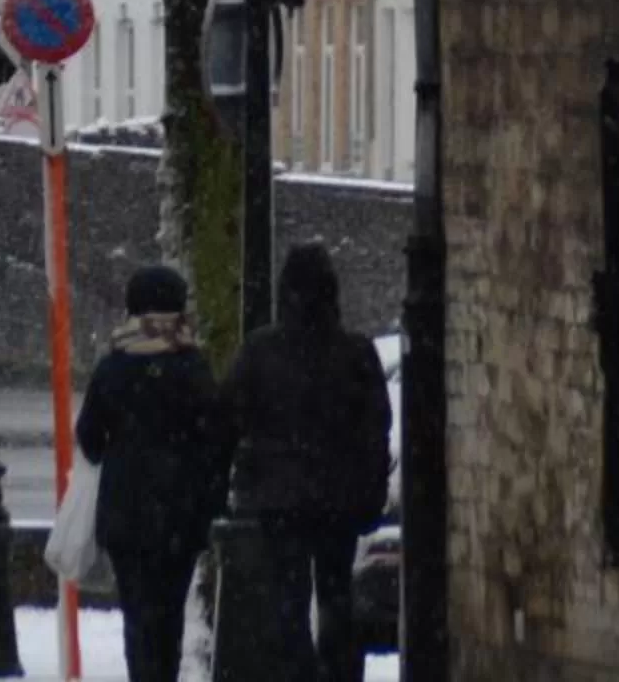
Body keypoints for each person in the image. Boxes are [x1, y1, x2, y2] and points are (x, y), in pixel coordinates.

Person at [218, 244, 392, 682]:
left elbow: (227, 419)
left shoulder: (261, 350)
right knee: (337, 595)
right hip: (339, 499)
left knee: (286, 601)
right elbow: (376, 428)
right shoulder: (355, 353)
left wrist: (240, 476)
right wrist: (369, 490)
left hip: (278, 499)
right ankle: (337, 671)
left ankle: (296, 672)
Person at [74, 264, 230, 682]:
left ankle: (142, 673)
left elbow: (89, 437)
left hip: (126, 513)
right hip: (181, 513)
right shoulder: (193, 366)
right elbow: (217, 438)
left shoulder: (114, 367)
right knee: (169, 611)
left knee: (137, 613)